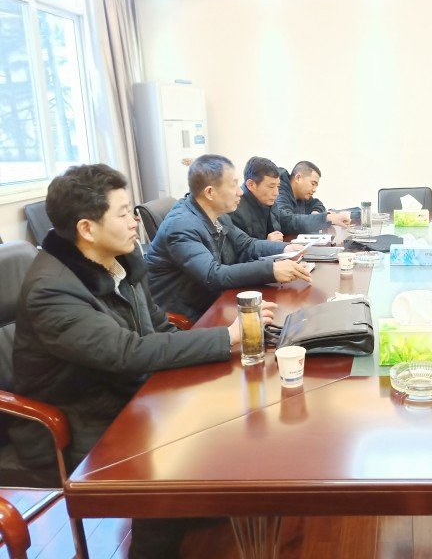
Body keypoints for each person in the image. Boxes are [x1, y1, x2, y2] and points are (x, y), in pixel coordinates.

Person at [10, 163, 275, 557]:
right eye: (123, 214)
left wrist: (220, 350)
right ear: (87, 229)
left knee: (224, 401)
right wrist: (227, 337)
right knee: (166, 456)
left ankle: (194, 503)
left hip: (124, 391)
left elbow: (158, 329)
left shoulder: (119, 260)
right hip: (71, 419)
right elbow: (127, 352)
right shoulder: (52, 290)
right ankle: (157, 535)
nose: (136, 221)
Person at [147, 154, 311, 322]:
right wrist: (272, 270)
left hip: (215, 300)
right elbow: (213, 275)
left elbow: (246, 245)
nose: (240, 192)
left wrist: (286, 248)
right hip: (190, 315)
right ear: (210, 192)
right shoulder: (180, 226)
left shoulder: (218, 214)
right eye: (233, 185)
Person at [276, 160, 351, 233]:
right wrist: (326, 218)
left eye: (316, 186)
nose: (314, 190)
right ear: (298, 178)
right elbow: (286, 221)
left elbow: (317, 203)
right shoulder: (278, 191)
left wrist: (316, 212)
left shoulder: (302, 195)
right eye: (313, 184)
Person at [230, 156, 293, 240]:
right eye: (271, 187)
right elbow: (243, 245)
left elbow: (289, 220)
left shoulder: (268, 202)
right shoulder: (234, 209)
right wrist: (268, 243)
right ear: (251, 185)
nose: (276, 193)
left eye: (278, 186)